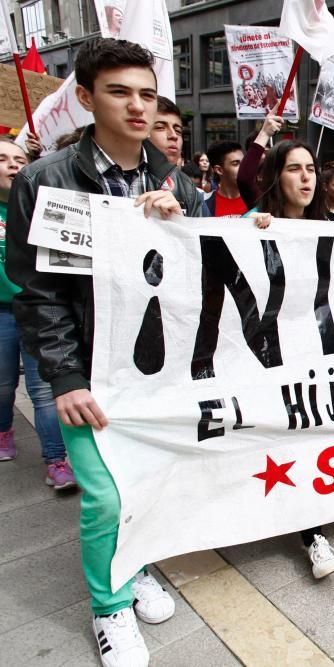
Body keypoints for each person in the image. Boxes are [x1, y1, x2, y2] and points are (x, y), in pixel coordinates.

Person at [6, 38, 206, 667]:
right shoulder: (48, 180)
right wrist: (63, 377)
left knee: (145, 485)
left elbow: (209, 271)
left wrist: (181, 225)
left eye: (147, 93)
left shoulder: (178, 181)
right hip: (91, 371)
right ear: (87, 99)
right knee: (107, 496)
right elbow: (40, 293)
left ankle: (134, 565)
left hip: (160, 371)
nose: (137, 106)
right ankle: (109, 608)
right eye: (120, 92)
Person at [246, 139, 334, 577]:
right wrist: (249, 230)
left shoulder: (332, 225)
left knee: (309, 436)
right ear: (276, 176)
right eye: (294, 169)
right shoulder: (251, 224)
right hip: (267, 355)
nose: (306, 178)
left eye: (310, 168)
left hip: (315, 353)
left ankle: (312, 533)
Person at [0, 137, 74, 490]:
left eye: (18, 158)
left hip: (40, 310)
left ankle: (56, 460)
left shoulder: (41, 206)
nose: (12, 165)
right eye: (2, 158)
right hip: (2, 314)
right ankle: (3, 429)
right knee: (3, 386)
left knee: (43, 391)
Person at [205, 140, 247, 217]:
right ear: (219, 170)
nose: (244, 167)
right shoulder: (204, 204)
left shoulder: (258, 201)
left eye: (244, 162)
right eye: (236, 164)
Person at [148, 96, 184, 167]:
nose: (174, 135)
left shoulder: (184, 178)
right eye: (160, 127)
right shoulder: (123, 177)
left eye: (178, 131)